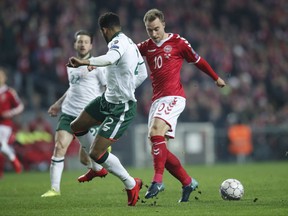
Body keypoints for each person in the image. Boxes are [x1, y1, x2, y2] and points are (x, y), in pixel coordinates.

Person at [137, 8, 226, 202]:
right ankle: (187, 182)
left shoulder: (178, 42)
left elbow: (198, 60)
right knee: (159, 148)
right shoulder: (145, 46)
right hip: (157, 100)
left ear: (163, 24)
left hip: (174, 97)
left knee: (155, 133)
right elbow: (125, 56)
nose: (153, 33)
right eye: (149, 30)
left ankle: (157, 181)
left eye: (156, 29)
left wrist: (215, 78)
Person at [68, 12, 147, 206]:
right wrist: (126, 83)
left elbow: (111, 58)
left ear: (104, 30)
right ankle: (96, 169)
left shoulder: (118, 43)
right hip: (107, 99)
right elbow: (143, 72)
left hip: (121, 107)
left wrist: (87, 61)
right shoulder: (130, 43)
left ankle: (131, 183)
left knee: (96, 152)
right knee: (77, 126)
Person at [41, 30, 108, 197]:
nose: (82, 44)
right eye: (80, 41)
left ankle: (102, 168)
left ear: (91, 45)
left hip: (89, 116)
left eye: (86, 41)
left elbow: (108, 88)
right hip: (69, 113)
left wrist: (106, 113)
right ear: (75, 44)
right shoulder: (70, 64)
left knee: (85, 159)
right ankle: (54, 189)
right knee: (59, 147)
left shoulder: (98, 65)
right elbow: (73, 87)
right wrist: (58, 104)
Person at [0, 67, 24, 177]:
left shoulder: (9, 92)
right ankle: (13, 161)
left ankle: (14, 161)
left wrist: (10, 113)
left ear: (5, 77)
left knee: (1, 144)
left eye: (1, 75)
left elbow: (20, 106)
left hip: (5, 124)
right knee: (2, 147)